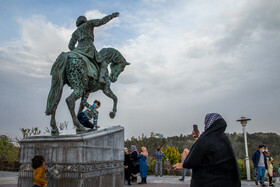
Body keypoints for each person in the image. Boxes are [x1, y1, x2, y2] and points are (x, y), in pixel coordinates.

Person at [173, 113, 241, 187]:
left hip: (209, 182)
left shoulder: (206, 139)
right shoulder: (224, 138)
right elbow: (209, 151)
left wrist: (183, 164)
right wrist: (198, 139)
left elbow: (192, 160)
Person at [68, 12, 119, 84]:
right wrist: (112, 16)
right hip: (89, 48)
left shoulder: (75, 33)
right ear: (85, 20)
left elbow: (70, 46)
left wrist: (76, 52)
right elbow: (101, 21)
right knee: (102, 61)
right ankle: (101, 78)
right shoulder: (88, 24)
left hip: (77, 50)